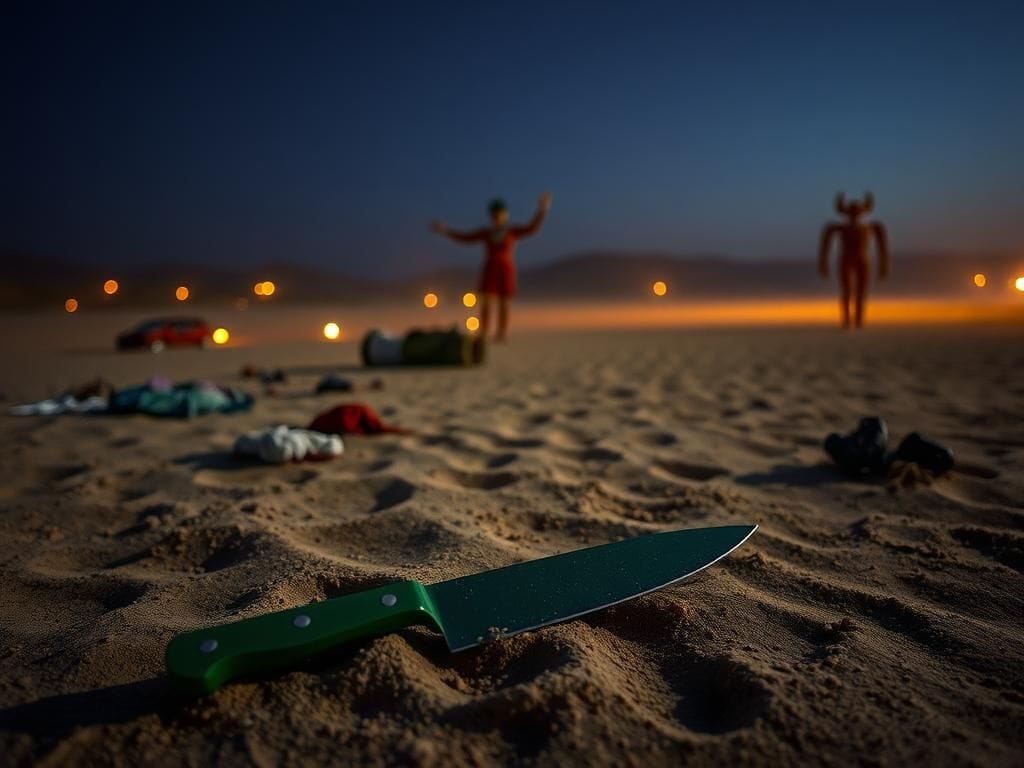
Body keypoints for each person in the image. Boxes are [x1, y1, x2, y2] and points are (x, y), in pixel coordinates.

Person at [431, 192, 552, 341]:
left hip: (506, 269)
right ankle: (483, 332)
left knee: (504, 303)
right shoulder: (486, 232)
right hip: (490, 268)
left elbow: (532, 229)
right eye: (494, 214)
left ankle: (501, 334)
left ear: (505, 215)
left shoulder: (511, 232)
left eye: (500, 214)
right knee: (486, 302)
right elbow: (465, 238)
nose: (497, 217)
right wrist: (446, 231)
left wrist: (542, 209)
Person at [818, 192, 890, 329]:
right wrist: (823, 263)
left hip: (861, 259)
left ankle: (858, 319)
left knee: (860, 291)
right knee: (847, 290)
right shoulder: (840, 228)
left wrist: (884, 264)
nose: (854, 216)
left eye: (856, 212)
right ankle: (847, 320)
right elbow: (825, 246)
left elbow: (883, 249)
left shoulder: (870, 227)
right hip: (847, 259)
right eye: (852, 212)